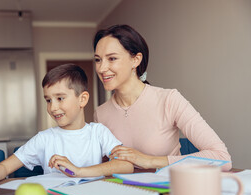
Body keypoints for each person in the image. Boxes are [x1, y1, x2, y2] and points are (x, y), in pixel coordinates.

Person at [0, 63, 134, 188]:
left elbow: (126, 165)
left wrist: (79, 171)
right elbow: (4, 167)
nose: (53, 107)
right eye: (48, 100)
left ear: (82, 99)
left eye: (60, 98)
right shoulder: (44, 139)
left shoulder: (98, 132)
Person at [93, 24, 231, 171]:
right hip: (122, 192)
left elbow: (222, 158)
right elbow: (101, 168)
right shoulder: (100, 114)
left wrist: (149, 161)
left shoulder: (169, 100)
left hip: (169, 191)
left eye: (112, 58)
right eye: (98, 60)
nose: (101, 69)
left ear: (136, 60)